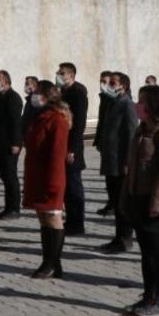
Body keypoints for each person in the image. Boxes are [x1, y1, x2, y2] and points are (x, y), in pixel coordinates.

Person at [122, 84, 159, 316]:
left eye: (142, 101)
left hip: (156, 202)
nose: (138, 105)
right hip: (138, 197)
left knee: (157, 252)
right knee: (146, 253)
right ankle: (148, 295)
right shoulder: (142, 129)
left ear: (152, 105)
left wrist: (156, 202)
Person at [22, 80, 71, 279]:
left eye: (36, 92)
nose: (33, 95)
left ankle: (52, 263)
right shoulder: (41, 116)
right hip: (37, 175)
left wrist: (52, 182)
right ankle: (49, 261)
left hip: (51, 177)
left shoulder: (57, 119)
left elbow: (57, 154)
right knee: (44, 218)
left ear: (46, 96)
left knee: (53, 217)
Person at [97, 72, 139, 254]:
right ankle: (118, 237)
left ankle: (125, 239)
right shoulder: (112, 103)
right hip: (110, 161)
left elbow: (130, 135)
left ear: (124, 86)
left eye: (113, 83)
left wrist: (128, 161)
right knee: (115, 202)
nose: (109, 86)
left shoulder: (127, 105)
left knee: (122, 204)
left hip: (120, 164)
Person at [56, 62, 88, 235]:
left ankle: (77, 223)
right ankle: (71, 219)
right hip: (63, 145)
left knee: (74, 186)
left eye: (62, 73)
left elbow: (79, 124)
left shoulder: (78, 93)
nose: (58, 75)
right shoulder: (63, 92)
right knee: (67, 186)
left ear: (71, 75)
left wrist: (72, 149)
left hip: (72, 147)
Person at [0, 70, 24, 220]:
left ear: (6, 81)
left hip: (10, 144)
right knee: (5, 176)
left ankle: (14, 208)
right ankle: (7, 207)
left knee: (10, 176)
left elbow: (16, 122)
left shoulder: (13, 97)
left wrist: (16, 142)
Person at [93, 70, 114, 215]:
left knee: (114, 178)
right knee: (108, 177)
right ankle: (111, 202)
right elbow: (101, 122)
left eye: (107, 82)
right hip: (105, 143)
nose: (103, 85)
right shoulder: (105, 98)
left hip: (114, 147)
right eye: (102, 81)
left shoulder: (117, 101)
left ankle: (114, 204)